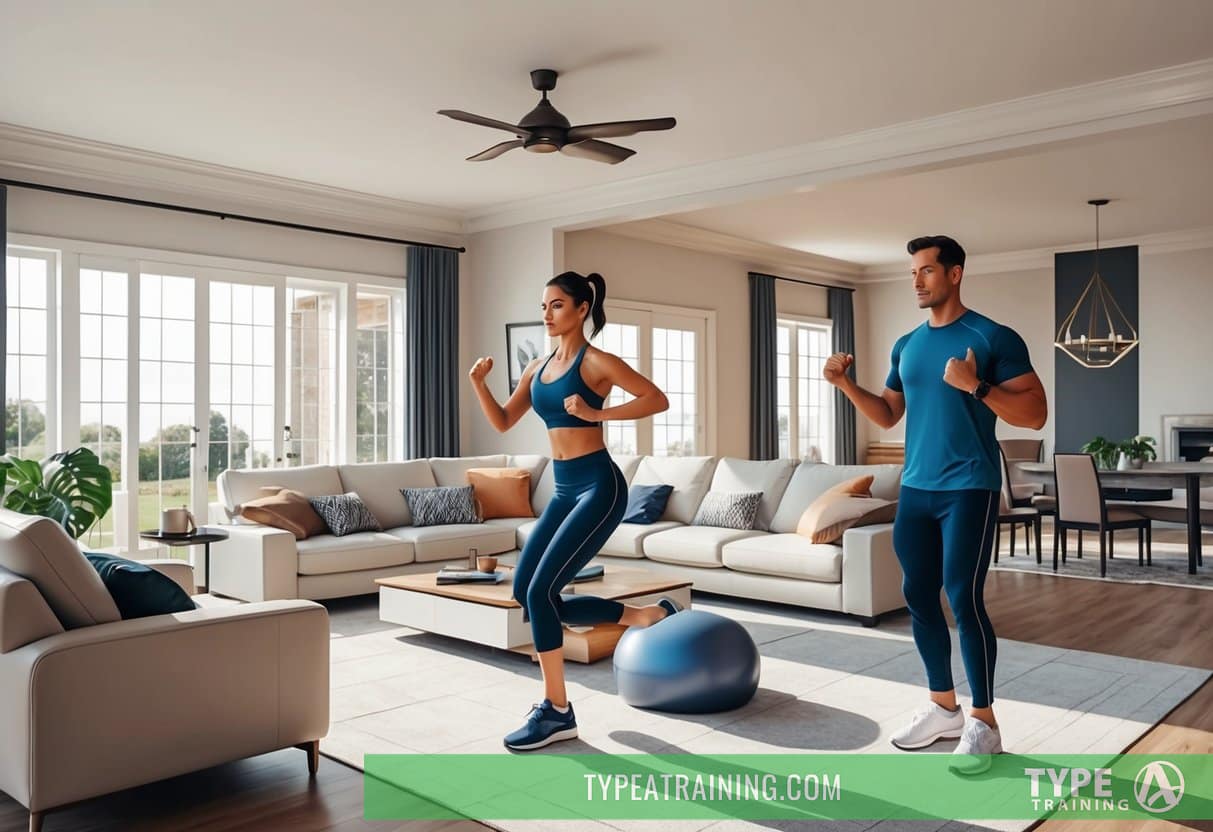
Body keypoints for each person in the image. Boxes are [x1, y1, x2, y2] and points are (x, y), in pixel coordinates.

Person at [824, 236, 1047, 774]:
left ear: (956, 274)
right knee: (917, 596)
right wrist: (845, 383)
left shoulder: (992, 336)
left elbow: (1035, 414)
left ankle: (985, 723)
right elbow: (887, 415)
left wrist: (978, 387)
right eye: (913, 273)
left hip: (968, 487)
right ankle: (942, 708)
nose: (918, 281)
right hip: (916, 489)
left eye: (927, 271)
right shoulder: (907, 345)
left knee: (963, 599)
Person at [469, 270, 679, 751]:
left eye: (557, 305)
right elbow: (503, 421)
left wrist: (597, 414)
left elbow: (657, 398)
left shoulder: (597, 362)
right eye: (543, 306)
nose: (547, 314)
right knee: (527, 592)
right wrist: (478, 383)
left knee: (542, 591)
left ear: (582, 309)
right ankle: (642, 616)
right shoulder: (535, 368)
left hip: (598, 487)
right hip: (563, 490)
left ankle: (558, 710)